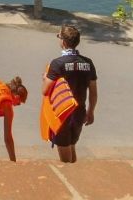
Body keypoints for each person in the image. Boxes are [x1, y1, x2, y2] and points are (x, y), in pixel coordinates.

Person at [43, 24, 98, 163]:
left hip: (63, 114)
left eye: (58, 36)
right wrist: (90, 112)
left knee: (65, 158)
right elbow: (93, 92)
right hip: (79, 113)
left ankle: (71, 179)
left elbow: (45, 90)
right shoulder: (88, 63)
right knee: (71, 147)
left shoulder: (57, 64)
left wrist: (45, 77)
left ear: (63, 42)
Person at [0, 76, 28, 161]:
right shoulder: (7, 104)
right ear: (17, 97)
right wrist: (13, 161)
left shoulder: (0, 85)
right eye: (19, 103)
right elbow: (8, 139)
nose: (17, 105)